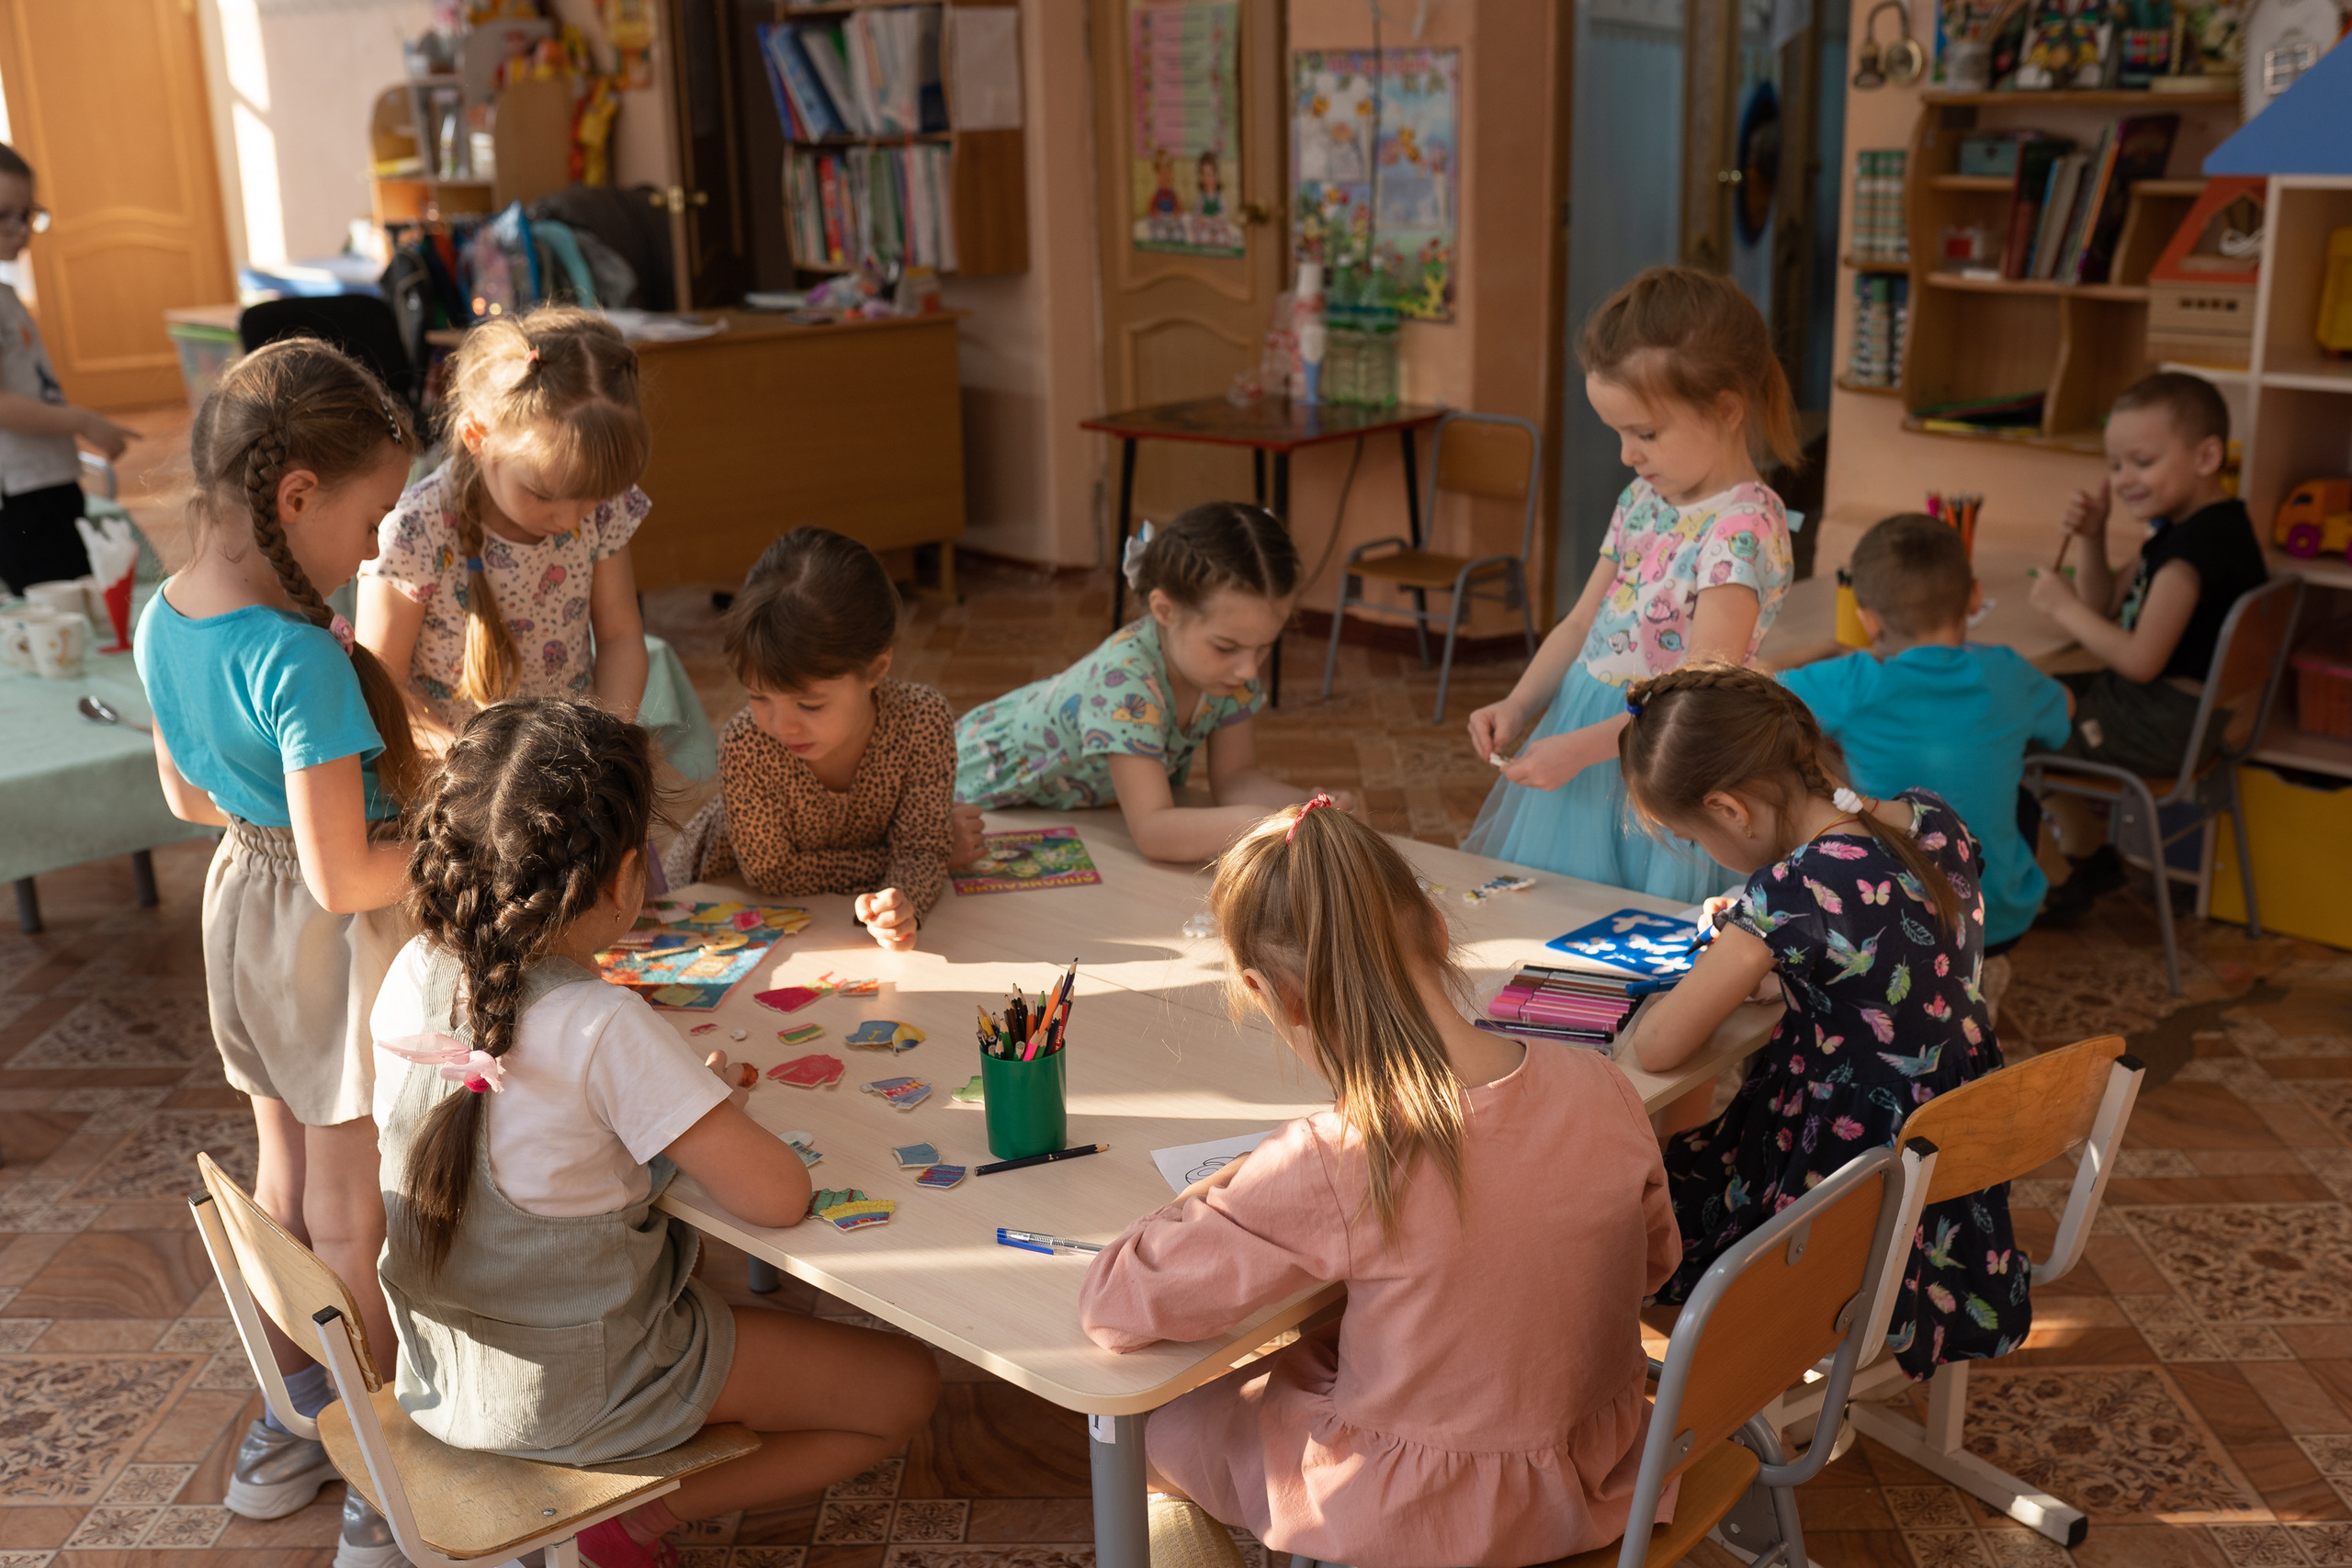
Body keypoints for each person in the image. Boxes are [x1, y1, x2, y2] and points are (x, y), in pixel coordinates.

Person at [374, 699, 940, 1568]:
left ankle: (624, 1500)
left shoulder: (412, 971)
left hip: (444, 1373)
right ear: (629, 875)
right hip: (580, 1389)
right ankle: (628, 1520)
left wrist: (666, 1106)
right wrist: (683, 1104)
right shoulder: (602, 1024)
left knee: (736, 1315)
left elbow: (527, 1124)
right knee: (904, 1388)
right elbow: (779, 1198)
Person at [1079, 797, 1679, 1568]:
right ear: (1436, 924)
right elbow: (1654, 1265)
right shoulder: (1599, 1081)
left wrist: (1226, 1182)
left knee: (1152, 1438)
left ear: (1273, 994)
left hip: (1423, 1514)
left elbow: (1116, 1306)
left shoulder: (1335, 1156)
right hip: (1604, 1465)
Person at [136, 338, 425, 1567]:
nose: (372, 555)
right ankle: (377, 1459)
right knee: (355, 1213)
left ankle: (294, 1416)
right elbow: (348, 872)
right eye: (367, 522)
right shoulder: (299, 655)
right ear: (296, 494)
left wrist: (275, 811)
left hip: (238, 912)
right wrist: (466, 847)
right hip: (324, 934)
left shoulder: (163, 613)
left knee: (283, 1176)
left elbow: (189, 801)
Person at [1613, 660, 2029, 1380]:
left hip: (1838, 1179)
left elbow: (1657, 1046)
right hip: (1952, 1163)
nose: (1703, 853)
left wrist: (1742, 943)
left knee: (1637, 1216)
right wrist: (1785, 968)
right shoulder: (1934, 818)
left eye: (1693, 837)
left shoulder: (1796, 885)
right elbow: (1898, 949)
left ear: (1730, 809)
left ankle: (1683, 1386)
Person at [1464, 266, 1798, 901]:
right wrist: (1518, 704)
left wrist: (1580, 752)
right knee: (1559, 916)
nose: (1627, 454)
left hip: (1664, 768)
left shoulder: (1743, 528)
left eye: (1645, 433)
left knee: (1644, 932)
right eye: (1617, 432)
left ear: (1727, 409)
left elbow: (1695, 699)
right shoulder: (1642, 498)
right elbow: (1581, 623)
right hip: (1584, 743)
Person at [1778, 513, 2073, 1010]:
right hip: (1999, 916)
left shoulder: (1853, 679)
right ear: (1974, 596)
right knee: (2018, 797)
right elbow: (2064, 710)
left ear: (1869, 619)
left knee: (1835, 773)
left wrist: (1829, 649)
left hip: (1891, 923)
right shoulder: (2006, 671)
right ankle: (1979, 973)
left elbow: (1760, 686)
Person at [954, 502, 1358, 863]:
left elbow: (1236, 779)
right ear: (1165, 610)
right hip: (971, 796)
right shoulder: (1124, 685)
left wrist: (1306, 808)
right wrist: (1262, 824)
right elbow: (1153, 831)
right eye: (1225, 646)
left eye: (1264, 647)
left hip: (1065, 807)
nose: (1249, 671)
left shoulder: (1230, 670)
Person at [355, 303, 650, 753]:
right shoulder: (416, 530)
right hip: (455, 788)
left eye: (591, 497)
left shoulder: (603, 510)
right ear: (478, 439)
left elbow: (621, 637)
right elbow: (381, 690)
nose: (571, 520)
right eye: (544, 495)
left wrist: (605, 740)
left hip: (564, 773)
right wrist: (470, 762)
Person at [2026, 370, 2267, 920]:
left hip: (2163, 722)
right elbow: (2107, 603)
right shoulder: (2199, 527)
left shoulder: (2192, 552)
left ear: (2207, 457)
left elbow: (2138, 660)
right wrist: (2093, 536)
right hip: (2181, 713)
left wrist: (2062, 607)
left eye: (2143, 461)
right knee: (2027, 695)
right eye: (2116, 466)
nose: (2125, 478)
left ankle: (2064, 876)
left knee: (2004, 721)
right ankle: (2091, 854)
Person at [664, 527, 963, 951]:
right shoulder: (746, 745)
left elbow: (921, 850)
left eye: (810, 705)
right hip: (722, 903)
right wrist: (921, 859)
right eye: (758, 696)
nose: (782, 726)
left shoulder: (923, 721)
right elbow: (772, 875)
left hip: (827, 918)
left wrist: (901, 898)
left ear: (876, 670)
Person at [0, 141, 137, 593]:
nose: (20, 229)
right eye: (3, 215)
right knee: (54, 599)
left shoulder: (6, 295)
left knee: (80, 587)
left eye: (27, 214)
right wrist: (81, 420)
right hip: (20, 491)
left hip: (48, 479)